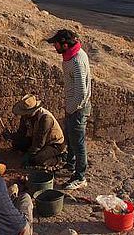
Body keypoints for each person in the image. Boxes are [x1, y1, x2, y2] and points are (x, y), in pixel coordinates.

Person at [46, 29, 92, 190]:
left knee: (78, 144)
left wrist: (71, 109)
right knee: (71, 139)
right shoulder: (71, 56)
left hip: (78, 108)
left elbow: (81, 92)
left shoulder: (77, 61)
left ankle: (80, 176)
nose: (55, 47)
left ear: (65, 45)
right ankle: (71, 165)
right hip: (73, 106)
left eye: (56, 44)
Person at [11, 94, 66, 170]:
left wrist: (30, 154)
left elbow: (40, 142)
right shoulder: (25, 116)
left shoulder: (46, 119)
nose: (24, 115)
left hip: (54, 144)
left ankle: (58, 158)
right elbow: (22, 132)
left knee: (36, 160)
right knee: (17, 144)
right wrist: (13, 137)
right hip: (35, 139)